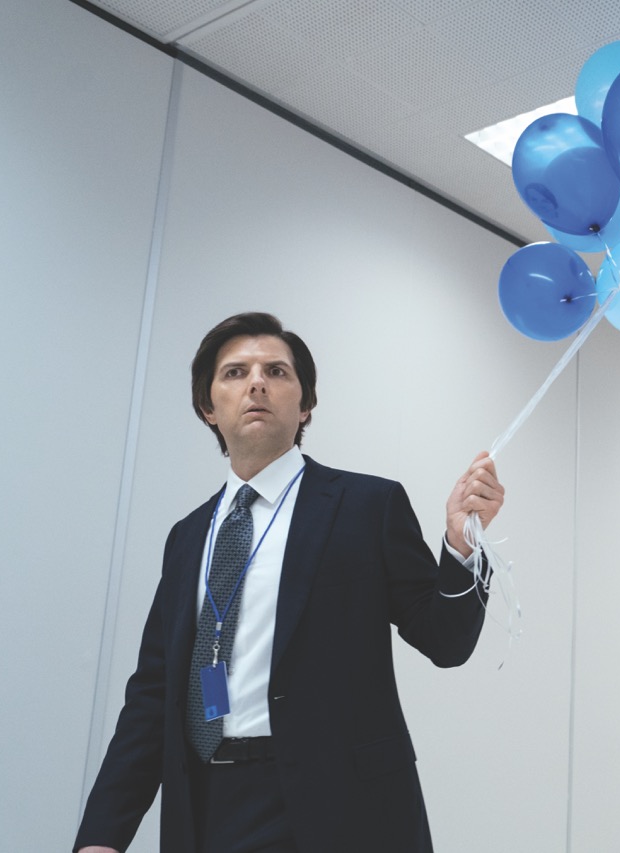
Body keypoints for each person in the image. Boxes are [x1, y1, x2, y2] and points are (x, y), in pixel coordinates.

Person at [74, 312, 504, 853]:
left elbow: (446, 640)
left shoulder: (366, 506)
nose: (256, 382)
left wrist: (462, 546)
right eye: (235, 373)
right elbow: (153, 696)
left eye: (276, 371)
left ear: (305, 405)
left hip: (343, 809)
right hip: (208, 807)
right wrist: (102, 836)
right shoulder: (187, 538)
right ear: (208, 408)